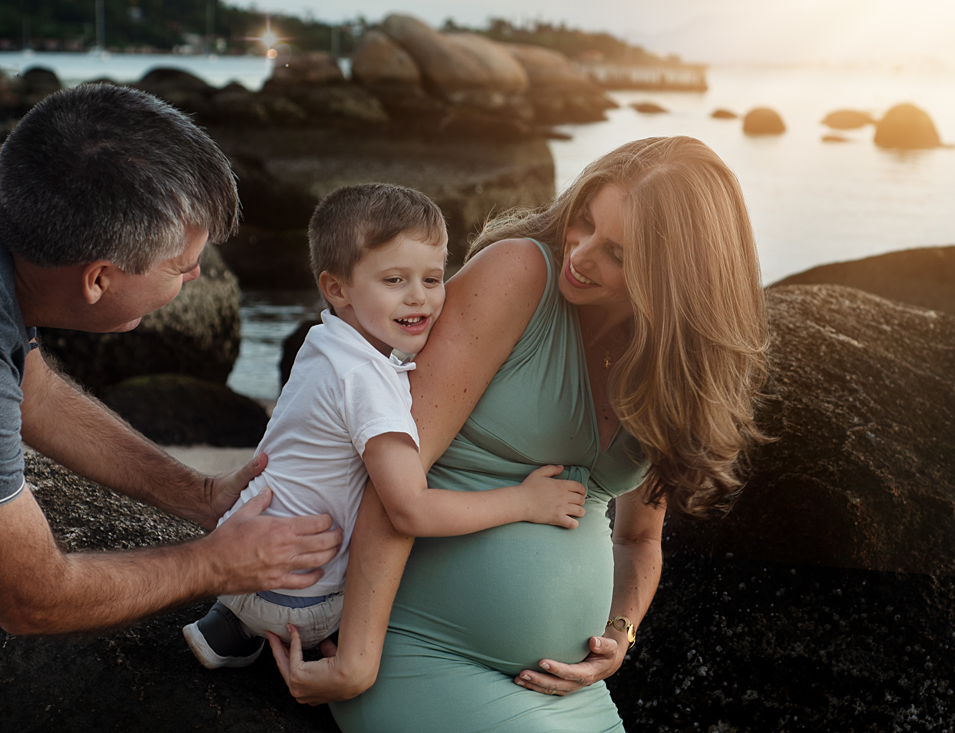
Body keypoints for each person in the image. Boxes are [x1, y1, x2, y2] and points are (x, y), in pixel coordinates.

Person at [0, 84, 343, 637]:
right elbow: (32, 600)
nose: (197, 275)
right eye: (181, 266)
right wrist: (219, 564)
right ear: (99, 278)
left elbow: (30, 389)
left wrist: (201, 499)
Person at [268, 136, 770, 732]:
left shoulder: (670, 370)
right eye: (583, 221)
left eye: (617, 252)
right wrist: (357, 659)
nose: (580, 254)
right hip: (422, 649)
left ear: (677, 277)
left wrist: (620, 634)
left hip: (569, 692)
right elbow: (395, 479)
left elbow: (638, 538)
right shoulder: (519, 274)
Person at [183, 183, 587, 669]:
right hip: (297, 598)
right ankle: (289, 636)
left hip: (240, 557)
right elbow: (410, 510)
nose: (419, 298)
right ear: (336, 288)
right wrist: (525, 502)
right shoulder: (368, 383)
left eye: (434, 279)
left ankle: (230, 630)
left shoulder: (324, 342)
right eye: (394, 280)